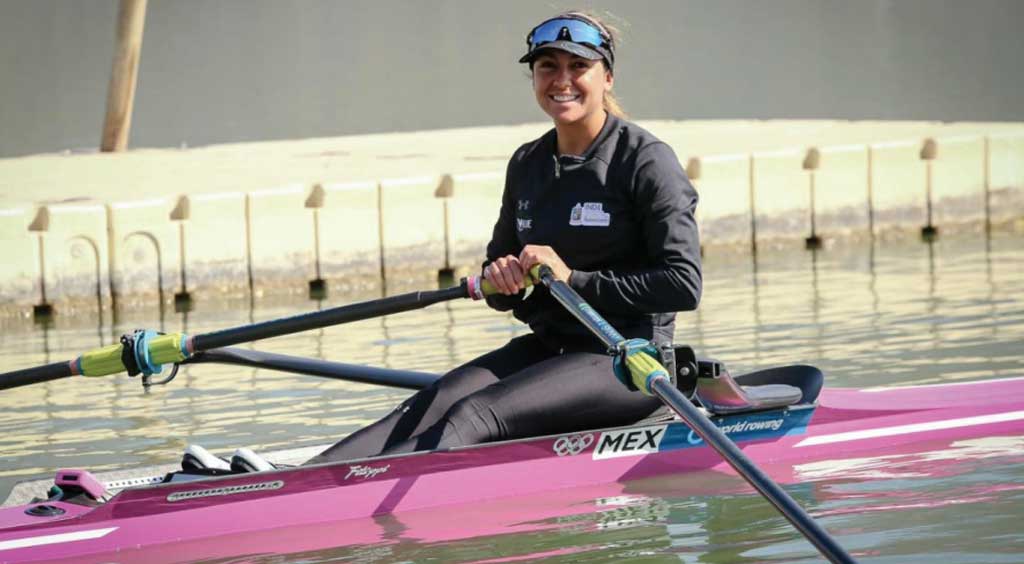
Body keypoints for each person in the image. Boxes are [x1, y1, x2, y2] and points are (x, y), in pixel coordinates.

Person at [305, 11, 701, 465]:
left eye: (578, 66)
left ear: (607, 77)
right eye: (548, 66)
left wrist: (573, 279)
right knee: (434, 401)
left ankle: (353, 495)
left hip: (627, 360)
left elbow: (683, 285)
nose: (562, 80)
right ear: (533, 78)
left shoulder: (645, 161)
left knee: (475, 412)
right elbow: (501, 288)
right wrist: (502, 277)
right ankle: (298, 481)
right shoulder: (527, 163)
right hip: (550, 350)